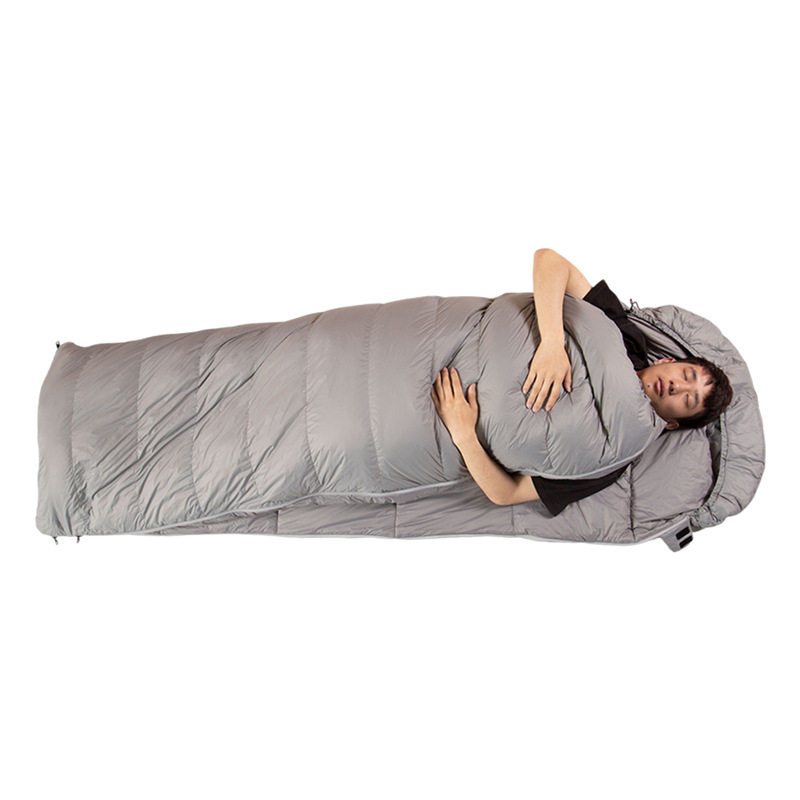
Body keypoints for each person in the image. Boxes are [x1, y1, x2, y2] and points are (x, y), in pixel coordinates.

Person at [430, 248, 734, 515]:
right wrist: (552, 343)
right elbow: (549, 260)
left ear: (672, 424)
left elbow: (507, 494)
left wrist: (464, 435)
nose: (677, 386)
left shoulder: (614, 459)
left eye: (688, 399)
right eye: (686, 375)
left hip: (442, 424)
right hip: (453, 336)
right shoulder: (627, 339)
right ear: (667, 361)